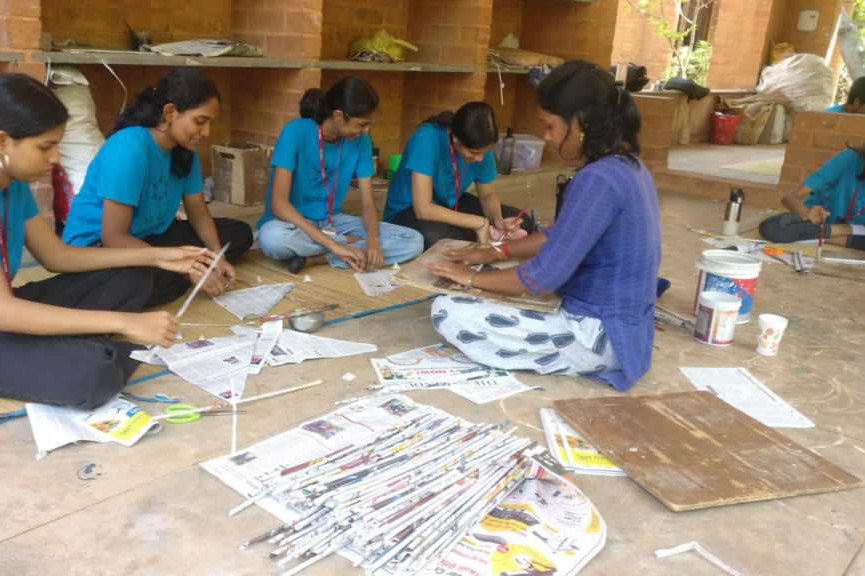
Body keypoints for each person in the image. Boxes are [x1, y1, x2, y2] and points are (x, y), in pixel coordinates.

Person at [0, 74, 214, 409]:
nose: (55, 158)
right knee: (91, 374)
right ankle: (77, 349)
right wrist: (124, 322)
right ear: (2, 141)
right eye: (45, 146)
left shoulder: (7, 175)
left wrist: (157, 256)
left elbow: (56, 256)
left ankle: (62, 343)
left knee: (131, 275)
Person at [424, 61, 661, 392]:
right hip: (625, 331)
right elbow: (558, 235)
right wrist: (494, 252)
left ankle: (573, 356)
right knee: (500, 279)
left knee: (447, 311)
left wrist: (473, 278)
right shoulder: (626, 166)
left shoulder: (598, 180)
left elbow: (541, 277)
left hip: (598, 336)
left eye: (550, 126)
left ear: (581, 123)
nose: (547, 138)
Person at [62, 68, 252, 307]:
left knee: (237, 232)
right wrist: (187, 268)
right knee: (136, 282)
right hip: (97, 246)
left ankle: (176, 273)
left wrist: (217, 257)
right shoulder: (128, 150)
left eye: (210, 123)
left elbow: (199, 212)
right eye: (200, 121)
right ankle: (174, 276)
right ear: (170, 112)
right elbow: (114, 238)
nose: (206, 132)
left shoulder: (185, 151)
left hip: (147, 237)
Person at [257, 76, 424, 274]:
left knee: (414, 241)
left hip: (332, 221)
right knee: (272, 239)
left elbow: (368, 204)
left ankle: (319, 258)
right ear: (338, 116)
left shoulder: (361, 142)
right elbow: (278, 205)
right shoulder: (295, 132)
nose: (364, 131)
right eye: (362, 124)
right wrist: (338, 243)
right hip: (292, 223)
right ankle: (343, 248)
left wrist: (372, 240)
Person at [383, 102, 536, 249]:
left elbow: (487, 195)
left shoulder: (481, 145)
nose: (479, 158)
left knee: (524, 222)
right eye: (473, 153)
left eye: (484, 152)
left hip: (450, 203)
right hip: (409, 209)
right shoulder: (427, 137)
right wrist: (479, 223)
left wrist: (497, 220)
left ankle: (485, 233)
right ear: (456, 139)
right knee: (434, 237)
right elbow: (423, 209)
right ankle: (482, 234)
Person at [759, 130, 865, 261]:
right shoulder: (850, 158)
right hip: (821, 222)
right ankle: (845, 231)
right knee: (772, 228)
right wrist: (806, 212)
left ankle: (823, 235)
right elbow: (790, 197)